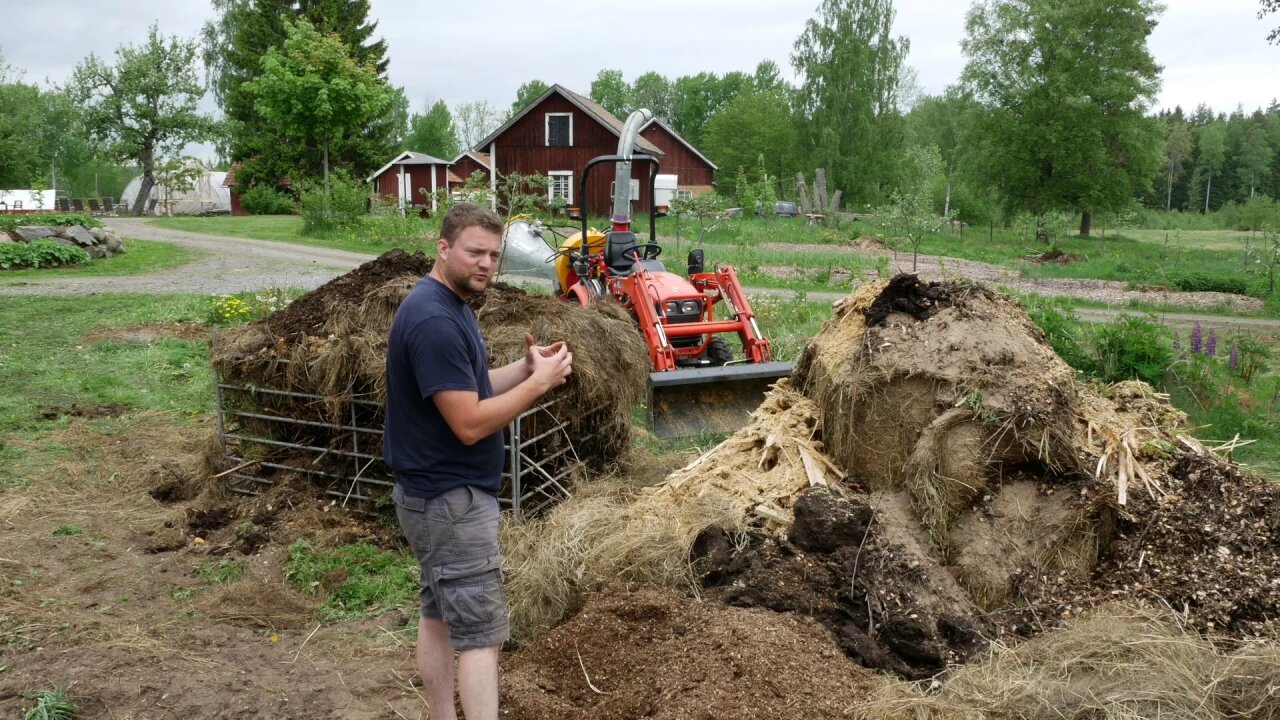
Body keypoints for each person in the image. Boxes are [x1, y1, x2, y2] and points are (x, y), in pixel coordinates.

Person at [384, 202, 572, 719]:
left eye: (494, 254)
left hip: (435, 496)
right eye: (474, 252)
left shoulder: (449, 306)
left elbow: (466, 389)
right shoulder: (434, 321)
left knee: (439, 617)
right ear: (442, 248)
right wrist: (538, 385)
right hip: (451, 502)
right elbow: (468, 423)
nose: (486, 264)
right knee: (482, 638)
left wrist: (522, 369)